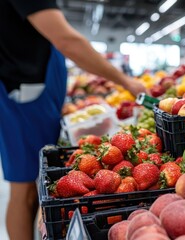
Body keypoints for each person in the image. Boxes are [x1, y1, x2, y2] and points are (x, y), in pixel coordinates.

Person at [0, 0, 147, 239]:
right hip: (22, 98)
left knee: (33, 187)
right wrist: (126, 81)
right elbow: (68, 41)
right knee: (23, 189)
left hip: (35, 98)